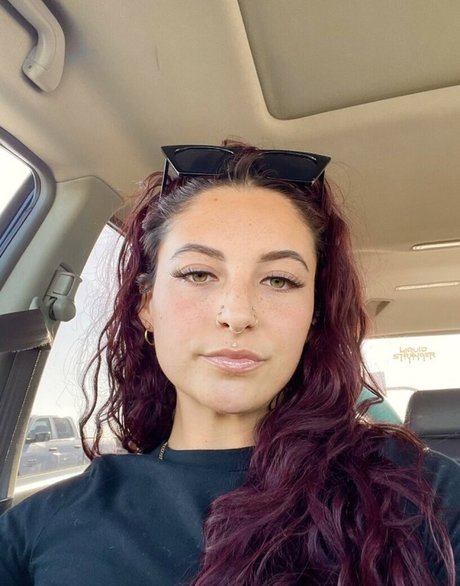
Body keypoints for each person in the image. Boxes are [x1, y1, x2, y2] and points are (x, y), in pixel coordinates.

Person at [0, 142, 459, 586]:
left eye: (279, 280)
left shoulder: (423, 495)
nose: (237, 314)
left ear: (313, 318)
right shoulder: (35, 528)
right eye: (198, 273)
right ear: (147, 306)